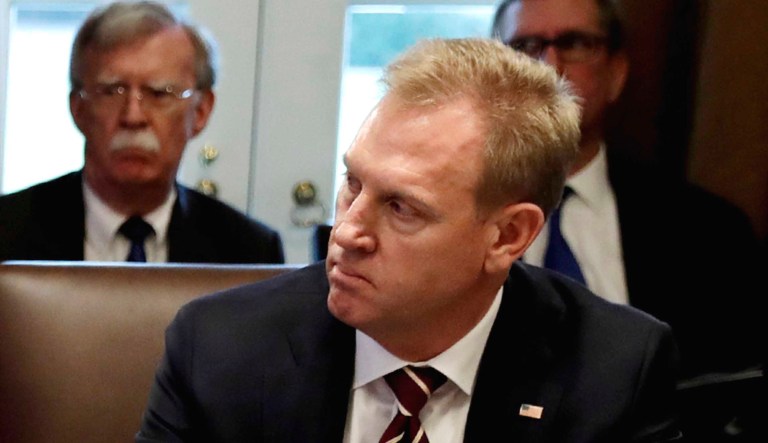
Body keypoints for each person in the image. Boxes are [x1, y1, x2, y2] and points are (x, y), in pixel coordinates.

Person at [136, 37, 682, 442]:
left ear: (508, 236)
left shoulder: (613, 373)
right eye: (353, 182)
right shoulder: (220, 348)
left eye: (402, 208)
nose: (347, 231)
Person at [492, 0, 762, 379]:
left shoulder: (710, 230)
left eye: (575, 43)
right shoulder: (450, 222)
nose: (549, 67)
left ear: (616, 73)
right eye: (524, 47)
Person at [0, 1, 284, 264]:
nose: (133, 117)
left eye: (159, 93)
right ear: (78, 108)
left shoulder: (248, 251)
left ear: (201, 111)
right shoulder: (8, 231)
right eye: (111, 91)